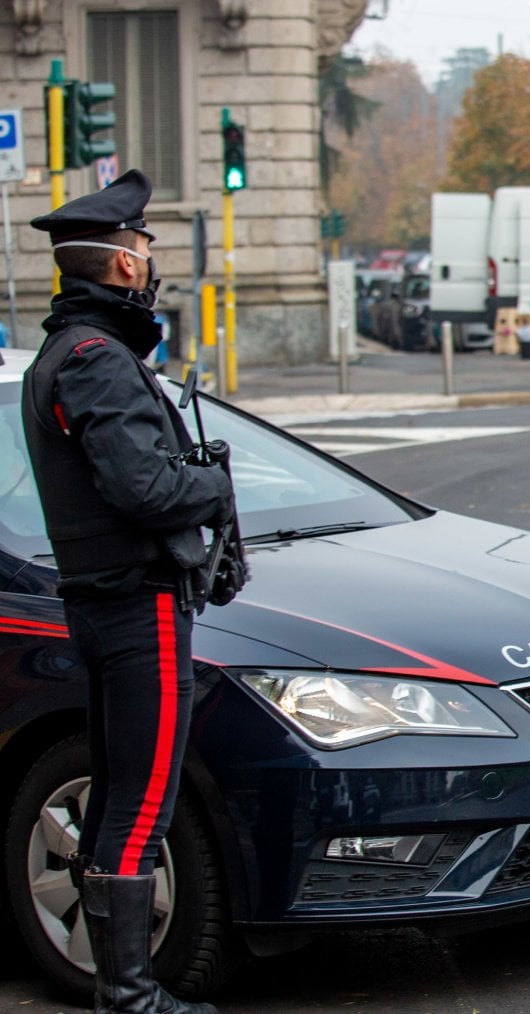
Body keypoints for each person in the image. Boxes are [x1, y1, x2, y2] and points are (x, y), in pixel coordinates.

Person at [21, 170, 233, 1013]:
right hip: (136, 602)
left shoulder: (67, 354)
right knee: (142, 798)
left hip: (105, 598)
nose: (150, 258)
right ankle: (131, 995)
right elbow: (144, 491)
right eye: (142, 245)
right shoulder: (97, 362)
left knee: (120, 792)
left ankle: (124, 989)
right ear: (118, 265)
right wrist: (212, 489)